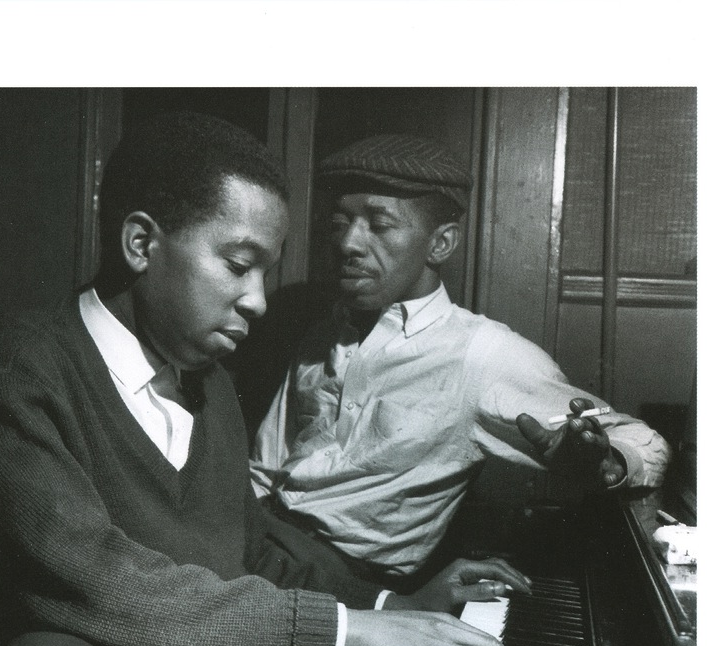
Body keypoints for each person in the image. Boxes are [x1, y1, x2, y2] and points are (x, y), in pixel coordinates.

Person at [0, 112, 547, 646]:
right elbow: (95, 578)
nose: (259, 300)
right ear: (141, 244)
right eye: (240, 265)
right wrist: (345, 632)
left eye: (266, 273)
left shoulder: (206, 378)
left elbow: (253, 549)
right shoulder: (18, 371)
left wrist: (389, 607)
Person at [250, 133, 671, 581]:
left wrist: (604, 463)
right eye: (339, 223)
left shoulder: (481, 354)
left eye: (379, 224)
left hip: (348, 583)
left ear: (441, 244)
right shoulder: (324, 332)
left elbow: (645, 441)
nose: (348, 243)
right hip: (259, 541)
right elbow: (264, 468)